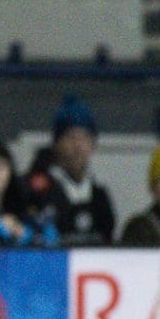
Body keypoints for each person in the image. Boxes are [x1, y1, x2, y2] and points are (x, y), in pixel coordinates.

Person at [26, 95, 115, 245]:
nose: (78, 146)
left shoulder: (100, 196)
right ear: (56, 143)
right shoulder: (36, 190)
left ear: (92, 145)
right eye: (71, 137)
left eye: (84, 138)